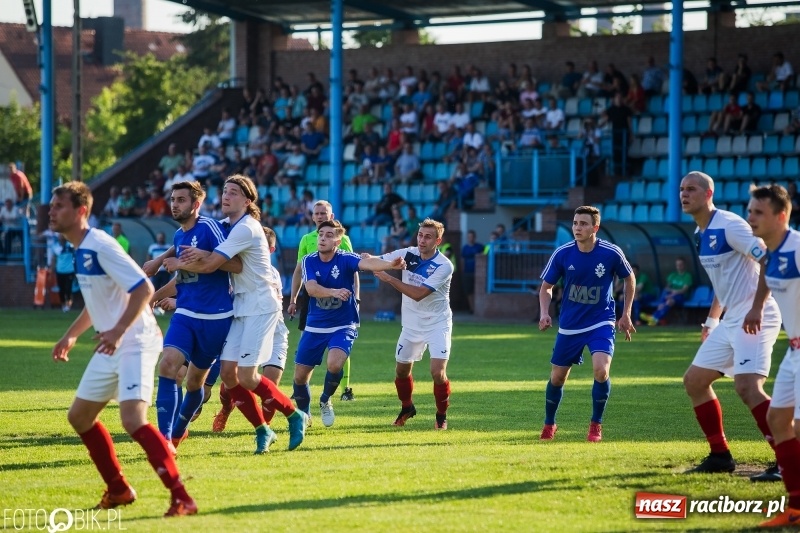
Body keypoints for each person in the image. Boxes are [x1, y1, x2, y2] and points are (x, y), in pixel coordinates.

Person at [48, 181, 196, 517]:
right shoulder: (80, 249)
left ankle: (182, 497)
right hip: (113, 341)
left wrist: (117, 329)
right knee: (80, 416)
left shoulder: (100, 244)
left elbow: (144, 287)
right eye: (52, 206)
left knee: (132, 419)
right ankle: (118, 489)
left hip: (135, 339)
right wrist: (70, 336)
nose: (51, 212)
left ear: (81, 211)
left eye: (59, 206)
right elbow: (97, 303)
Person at [174, 175, 307, 453]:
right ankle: (263, 430)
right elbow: (191, 234)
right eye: (224, 191)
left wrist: (176, 261)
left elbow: (211, 264)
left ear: (247, 202)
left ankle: (294, 415)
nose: (226, 196)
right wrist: (167, 258)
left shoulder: (246, 228)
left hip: (261, 304)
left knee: (247, 377)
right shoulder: (227, 225)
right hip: (241, 305)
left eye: (233, 193)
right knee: (228, 374)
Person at [678, 171, 781, 479]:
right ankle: (720, 455)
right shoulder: (700, 233)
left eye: (692, 189)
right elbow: (722, 284)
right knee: (694, 381)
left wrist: (757, 307)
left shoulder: (730, 225)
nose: (685, 194)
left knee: (748, 387)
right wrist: (711, 321)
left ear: (709, 194)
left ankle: (788, 458)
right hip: (731, 319)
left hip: (756, 316)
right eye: (682, 189)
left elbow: (769, 259)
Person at [143, 181, 241, 456]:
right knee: (168, 365)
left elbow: (235, 264)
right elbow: (182, 279)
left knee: (195, 384)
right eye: (173, 199)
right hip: (185, 313)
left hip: (216, 318)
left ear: (195, 205)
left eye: (182, 200)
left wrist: (185, 262)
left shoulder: (210, 228)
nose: (175, 204)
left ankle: (178, 429)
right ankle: (163, 439)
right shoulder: (178, 236)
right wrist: (151, 298)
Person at [292, 220, 405, 427]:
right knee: (300, 377)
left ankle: (326, 399)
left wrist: (390, 265)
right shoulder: (309, 260)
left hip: (343, 324)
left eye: (328, 235)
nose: (323, 238)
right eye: (321, 234)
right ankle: (304, 413)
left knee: (335, 364)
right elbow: (311, 289)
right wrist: (334, 291)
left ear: (337, 241)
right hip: (315, 325)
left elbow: (368, 263)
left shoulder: (345, 258)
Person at [538, 206, 635, 442]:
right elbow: (546, 287)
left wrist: (626, 314)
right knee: (557, 377)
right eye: (575, 223)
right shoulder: (562, 254)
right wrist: (544, 312)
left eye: (583, 223)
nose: (577, 228)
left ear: (595, 228)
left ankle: (595, 425)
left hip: (601, 321)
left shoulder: (611, 253)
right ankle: (550, 424)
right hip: (570, 325)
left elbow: (629, 278)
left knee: (601, 370)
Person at [746, 185, 800, 527]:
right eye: (750, 211)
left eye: (758, 213)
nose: (750, 217)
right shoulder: (771, 252)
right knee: (779, 421)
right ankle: (795, 507)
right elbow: (768, 271)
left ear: (781, 216)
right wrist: (756, 306)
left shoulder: (797, 248)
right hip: (794, 350)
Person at [373, 219, 454, 430]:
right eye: (420, 235)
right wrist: (359, 261)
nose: (422, 240)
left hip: (437, 324)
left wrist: (390, 278)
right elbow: (378, 260)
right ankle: (407, 407)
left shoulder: (444, 265)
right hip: (411, 325)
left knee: (437, 372)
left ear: (438, 240)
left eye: (428, 237)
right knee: (401, 372)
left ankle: (441, 415)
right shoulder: (408, 254)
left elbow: (418, 294)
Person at [211, 226, 291, 433]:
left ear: (269, 251)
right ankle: (226, 408)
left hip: (274, 332)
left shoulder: (268, 273)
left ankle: (264, 429)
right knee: (233, 377)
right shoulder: (235, 270)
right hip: (247, 326)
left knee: (270, 385)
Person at [288, 200, 359, 404]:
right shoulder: (307, 240)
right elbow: (299, 271)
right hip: (314, 303)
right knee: (304, 350)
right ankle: (302, 392)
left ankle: (342, 388)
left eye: (323, 213)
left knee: (337, 356)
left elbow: (354, 268)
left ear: (332, 215)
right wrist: (293, 298)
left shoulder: (342, 239)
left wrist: (357, 296)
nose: (320, 216)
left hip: (341, 306)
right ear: (312, 216)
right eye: (317, 213)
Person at [642, 257, 692, 326]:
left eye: (681, 264)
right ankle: (655, 319)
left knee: (669, 301)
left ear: (684, 265)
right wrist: (670, 293)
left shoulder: (687, 276)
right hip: (670, 295)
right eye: (677, 265)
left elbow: (684, 290)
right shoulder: (673, 275)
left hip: (681, 296)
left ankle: (654, 317)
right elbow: (667, 287)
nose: (679, 266)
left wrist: (673, 293)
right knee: (664, 300)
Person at [460, 229, 484, 313]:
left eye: (472, 237)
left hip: (477, 272)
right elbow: (462, 260)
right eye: (469, 237)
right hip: (467, 272)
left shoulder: (479, 247)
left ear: (475, 237)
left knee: (476, 290)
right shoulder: (465, 248)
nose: (471, 238)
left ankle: (478, 308)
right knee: (468, 291)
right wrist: (462, 271)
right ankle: (472, 308)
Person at [51, 234, 76, 312]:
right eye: (60, 238)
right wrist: (51, 269)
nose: (61, 239)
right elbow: (53, 259)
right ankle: (63, 304)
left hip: (69, 271)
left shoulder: (71, 246)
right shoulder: (55, 247)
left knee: (68, 289)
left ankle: (68, 305)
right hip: (60, 271)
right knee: (61, 289)